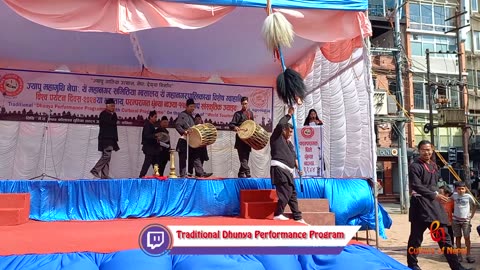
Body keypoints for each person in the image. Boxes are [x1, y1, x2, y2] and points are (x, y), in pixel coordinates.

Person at [406, 140, 474, 270]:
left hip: (434, 206)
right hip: (420, 206)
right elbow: (416, 185)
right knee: (416, 238)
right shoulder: (415, 166)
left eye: (429, 149)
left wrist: (444, 192)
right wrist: (435, 195)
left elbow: (438, 183)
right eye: (424, 150)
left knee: (444, 238)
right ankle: (413, 265)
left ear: (432, 150)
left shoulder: (433, 165)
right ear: (419, 150)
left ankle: (456, 267)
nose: (427, 152)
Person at [270, 106, 306, 224]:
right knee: (285, 192)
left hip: (289, 172)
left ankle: (297, 216)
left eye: (292, 132)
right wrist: (289, 115)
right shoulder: (276, 137)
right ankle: (278, 213)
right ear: (284, 130)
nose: (291, 134)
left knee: (293, 194)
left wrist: (298, 168)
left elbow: (294, 157)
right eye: (289, 131)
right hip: (279, 169)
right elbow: (280, 124)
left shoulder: (289, 144)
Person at [175, 99, 212, 178]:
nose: (192, 108)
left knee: (196, 156)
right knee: (183, 158)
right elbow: (177, 125)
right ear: (186, 106)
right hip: (184, 140)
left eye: (194, 107)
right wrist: (184, 131)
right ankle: (183, 174)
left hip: (191, 142)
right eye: (191, 106)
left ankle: (201, 172)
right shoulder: (183, 115)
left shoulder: (191, 117)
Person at [91, 98, 119, 179]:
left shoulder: (113, 115)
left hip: (111, 139)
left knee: (107, 157)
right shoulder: (103, 114)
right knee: (107, 155)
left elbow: (114, 125)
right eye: (112, 106)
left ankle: (104, 175)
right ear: (107, 106)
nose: (113, 108)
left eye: (114, 106)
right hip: (106, 138)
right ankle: (95, 170)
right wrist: (112, 115)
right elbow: (109, 124)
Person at [451, 181, 477, 264]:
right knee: (458, 238)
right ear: (456, 189)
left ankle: (468, 255)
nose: (461, 190)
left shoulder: (468, 196)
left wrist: (472, 215)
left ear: (465, 189)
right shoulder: (454, 196)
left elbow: (475, 204)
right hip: (455, 220)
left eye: (462, 189)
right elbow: (448, 201)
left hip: (466, 221)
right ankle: (459, 255)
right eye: (459, 189)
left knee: (467, 238)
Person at [229, 96, 254, 178]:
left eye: (246, 104)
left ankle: (241, 174)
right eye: (243, 104)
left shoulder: (250, 114)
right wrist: (235, 127)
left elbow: (253, 125)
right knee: (243, 158)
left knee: (246, 158)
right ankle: (248, 172)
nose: (244, 105)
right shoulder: (237, 114)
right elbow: (231, 124)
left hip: (248, 140)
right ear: (241, 104)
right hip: (240, 140)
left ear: (248, 103)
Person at [139, 111, 162, 178]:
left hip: (153, 149)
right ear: (150, 117)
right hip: (149, 149)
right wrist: (155, 136)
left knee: (155, 164)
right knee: (147, 163)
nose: (156, 119)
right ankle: (141, 176)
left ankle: (157, 176)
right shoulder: (147, 125)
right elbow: (146, 136)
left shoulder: (151, 125)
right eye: (155, 117)